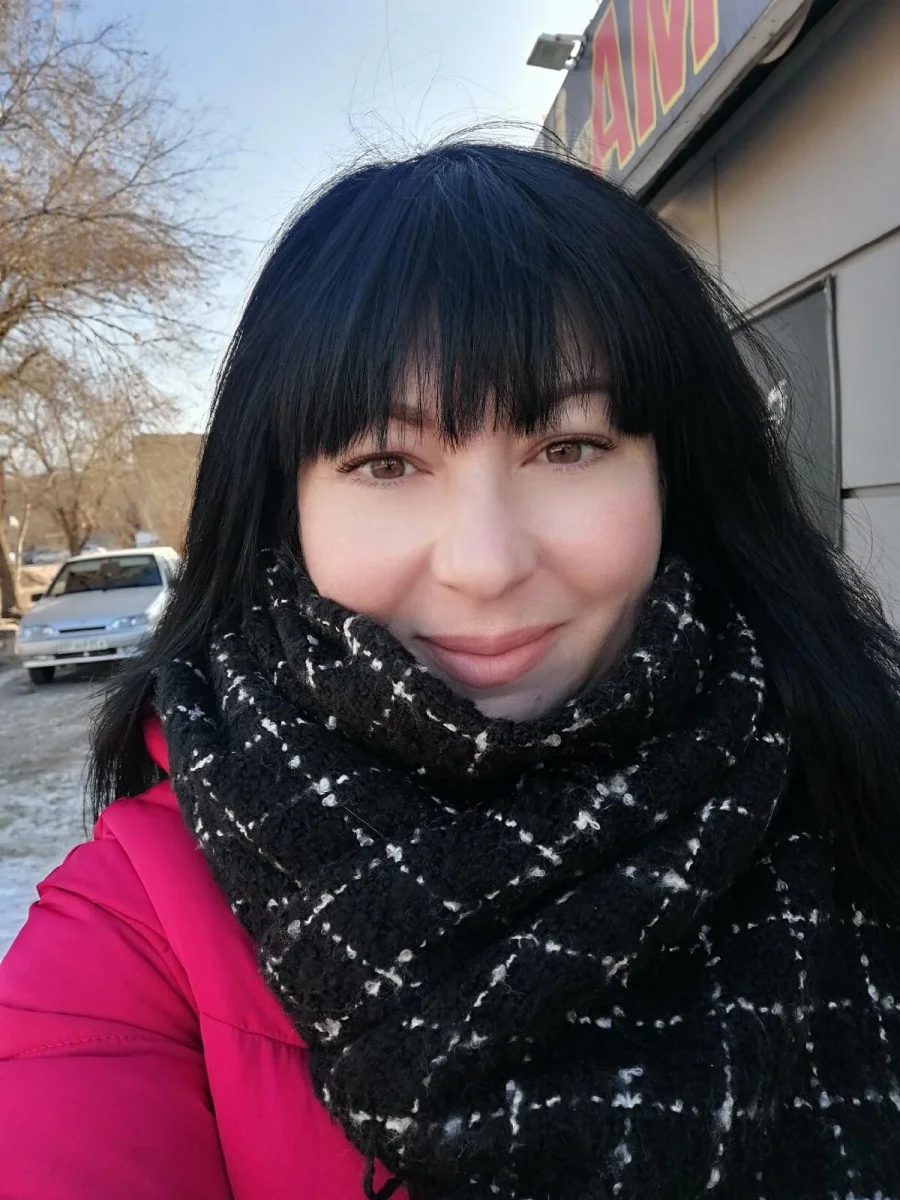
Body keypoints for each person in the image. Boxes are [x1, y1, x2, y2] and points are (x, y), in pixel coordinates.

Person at [1, 140, 899, 1200]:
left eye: (569, 446)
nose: (486, 564)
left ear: (677, 471)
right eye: (387, 463)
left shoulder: (852, 773)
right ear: (285, 506)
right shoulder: (132, 932)